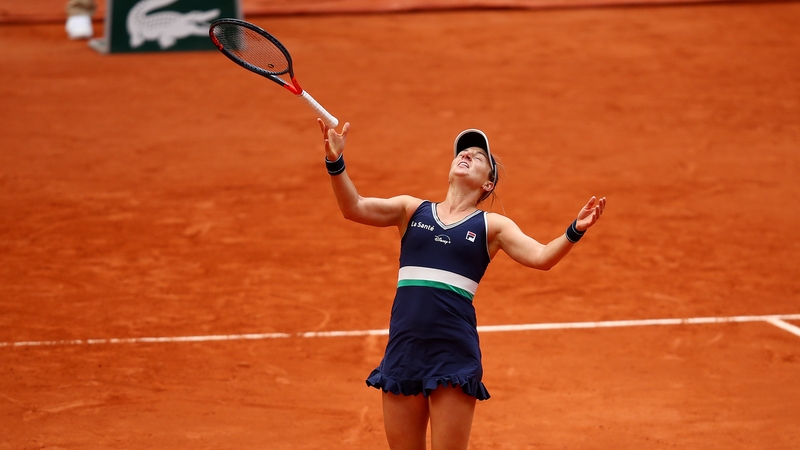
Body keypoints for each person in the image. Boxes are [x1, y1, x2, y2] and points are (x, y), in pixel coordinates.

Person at [318, 119, 606, 450]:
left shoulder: (492, 226)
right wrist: (335, 162)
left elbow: (542, 257)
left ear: (487, 184)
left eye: (477, 156)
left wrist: (574, 230)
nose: (467, 155)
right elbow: (353, 207)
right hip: (404, 350)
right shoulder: (410, 210)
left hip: (452, 354)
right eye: (463, 152)